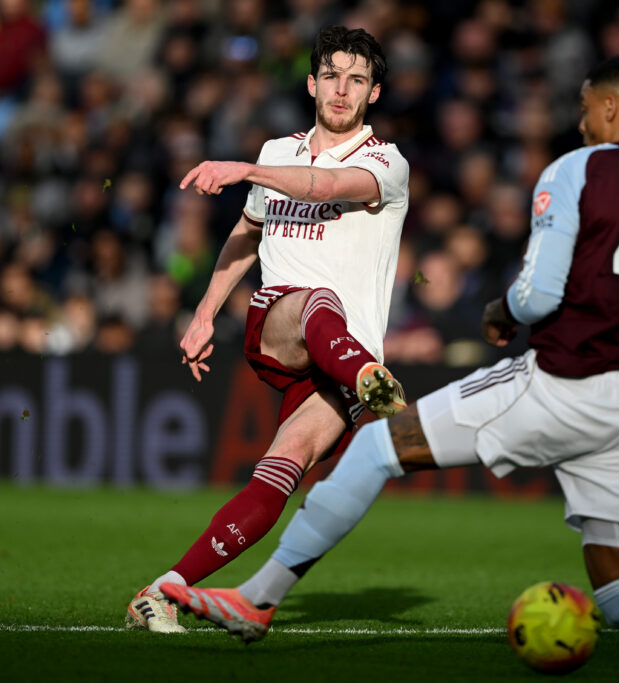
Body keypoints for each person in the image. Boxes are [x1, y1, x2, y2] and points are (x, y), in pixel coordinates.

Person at [160, 55, 619, 672]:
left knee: (372, 449)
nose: (578, 121)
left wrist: (500, 312)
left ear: (608, 109)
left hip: (561, 378)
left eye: (583, 107)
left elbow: (537, 295)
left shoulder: (577, 169)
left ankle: (258, 598)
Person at [125, 26, 409, 634]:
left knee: (283, 469)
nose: (341, 89)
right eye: (331, 75)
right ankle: (368, 381)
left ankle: (164, 589)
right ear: (311, 83)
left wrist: (243, 168)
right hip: (283, 321)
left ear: (374, 93)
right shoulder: (279, 151)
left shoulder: (386, 163)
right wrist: (203, 313)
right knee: (317, 299)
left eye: (356, 79)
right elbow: (246, 237)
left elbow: (329, 186)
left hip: (341, 354)